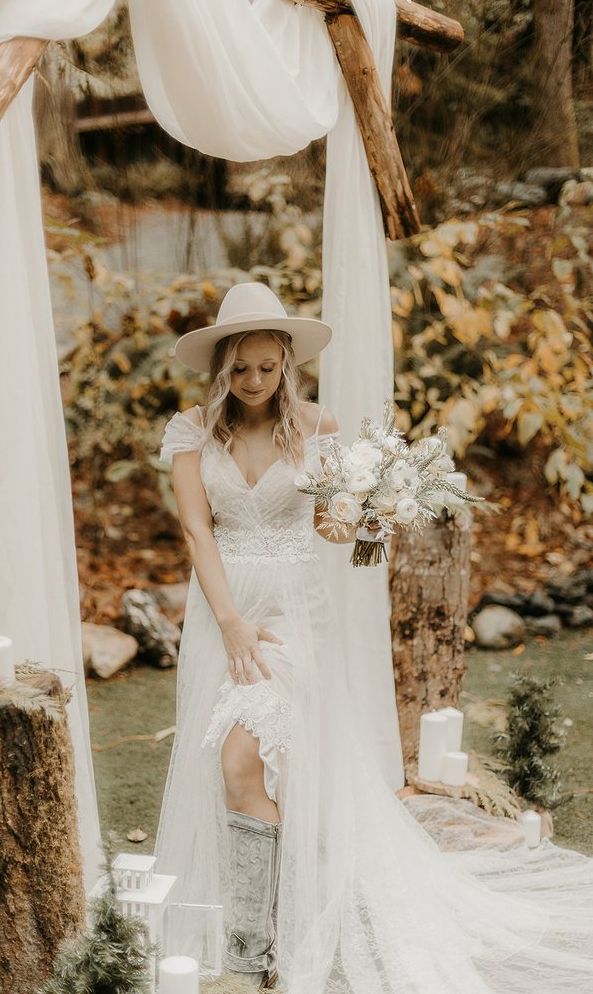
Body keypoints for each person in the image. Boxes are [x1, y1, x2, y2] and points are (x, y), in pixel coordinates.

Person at [157, 282, 593, 993]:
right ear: (220, 366)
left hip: (294, 614)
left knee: (243, 759)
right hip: (224, 611)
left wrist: (373, 513)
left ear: (286, 362)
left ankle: (254, 950)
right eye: (240, 368)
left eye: (267, 366)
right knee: (238, 770)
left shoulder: (316, 426)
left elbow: (331, 527)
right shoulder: (192, 430)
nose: (254, 381)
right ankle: (264, 926)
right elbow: (196, 530)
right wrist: (230, 620)